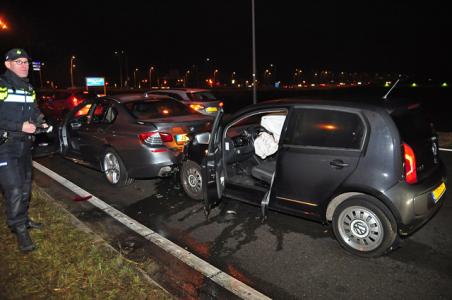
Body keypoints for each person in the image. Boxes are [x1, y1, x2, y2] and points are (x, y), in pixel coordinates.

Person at [0, 48, 47, 252]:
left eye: (26, 61)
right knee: (15, 189)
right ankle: (19, 230)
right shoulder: (2, 86)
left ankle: (24, 219)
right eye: (19, 62)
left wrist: (41, 122)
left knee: (26, 186)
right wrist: (19, 127)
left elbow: (34, 110)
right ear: (8, 64)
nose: (24, 65)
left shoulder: (28, 88)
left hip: (25, 145)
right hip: (5, 147)